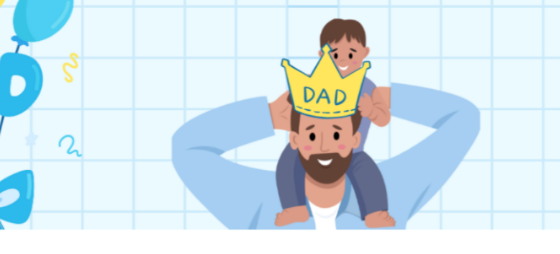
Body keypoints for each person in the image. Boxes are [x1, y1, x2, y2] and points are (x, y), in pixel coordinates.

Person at [171, 76, 479, 230]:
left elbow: (464, 119)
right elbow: (186, 149)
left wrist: (387, 98)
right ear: (294, 139)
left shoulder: (391, 193)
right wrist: (267, 116)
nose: (323, 146)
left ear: (355, 138)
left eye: (335, 134)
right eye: (312, 134)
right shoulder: (259, 202)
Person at [276, 18, 392, 227]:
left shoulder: (368, 87)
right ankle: (294, 207)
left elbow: (384, 119)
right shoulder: (315, 83)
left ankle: (375, 212)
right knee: (288, 161)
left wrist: (372, 110)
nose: (343, 59)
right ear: (322, 55)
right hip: (311, 146)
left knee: (368, 173)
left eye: (351, 54)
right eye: (335, 54)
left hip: (352, 150)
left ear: (365, 53)